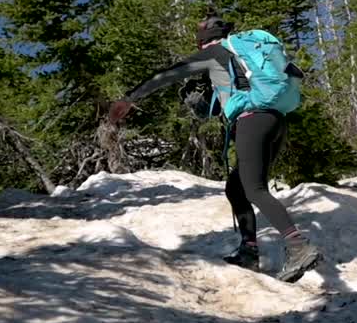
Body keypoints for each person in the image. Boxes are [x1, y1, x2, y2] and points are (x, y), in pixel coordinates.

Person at [106, 17, 321, 282]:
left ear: (203, 41)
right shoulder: (237, 54)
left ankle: (298, 247)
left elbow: (169, 74)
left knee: (254, 189)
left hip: (252, 120)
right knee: (236, 187)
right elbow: (223, 103)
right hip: (275, 120)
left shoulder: (214, 53)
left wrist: (129, 99)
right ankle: (249, 251)